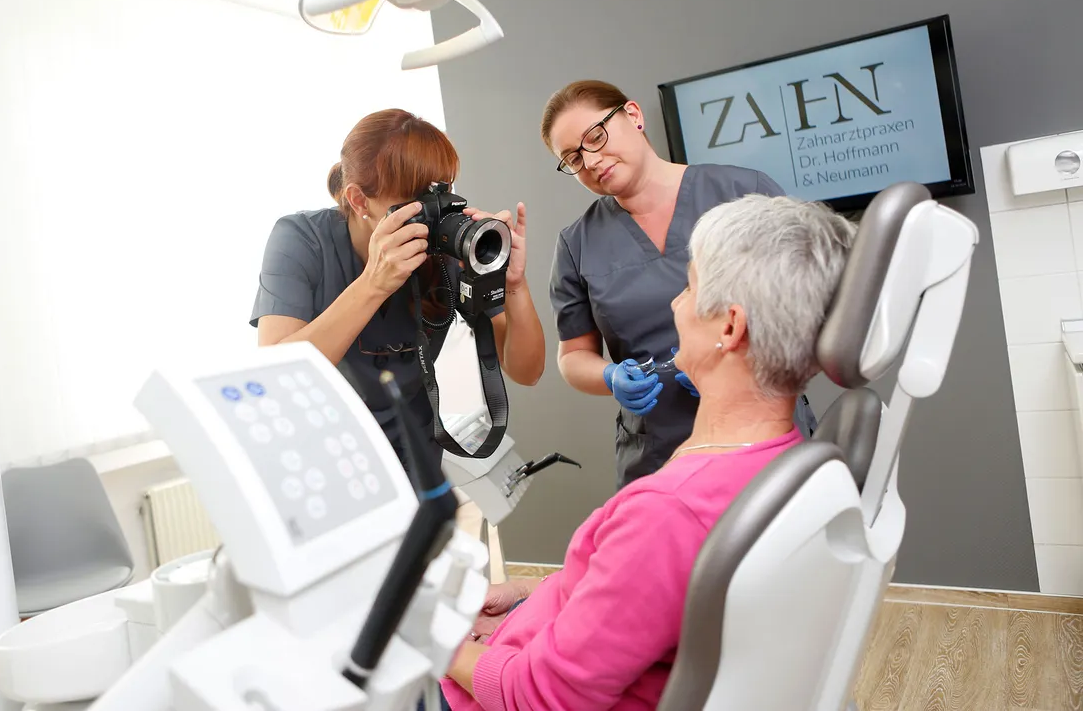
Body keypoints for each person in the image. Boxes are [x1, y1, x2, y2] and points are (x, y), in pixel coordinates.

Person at [440, 193, 857, 711]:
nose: (676, 304)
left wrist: (438, 638)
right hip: (536, 634)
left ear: (730, 327)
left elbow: (537, 695)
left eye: (689, 287)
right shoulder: (787, 462)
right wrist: (535, 594)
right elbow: (645, 594)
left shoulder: (668, 513)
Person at [543, 79, 818, 489]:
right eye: (573, 158)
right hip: (659, 456)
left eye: (596, 137)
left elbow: (809, 306)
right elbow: (573, 356)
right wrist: (610, 376)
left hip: (761, 433)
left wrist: (740, 361)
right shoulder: (577, 244)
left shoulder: (744, 193)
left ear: (633, 115)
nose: (592, 160)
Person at [251, 108, 546, 472]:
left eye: (442, 191)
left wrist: (515, 285)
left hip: (414, 458)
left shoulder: (444, 251)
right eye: (415, 201)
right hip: (325, 457)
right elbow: (275, 377)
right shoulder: (301, 239)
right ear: (359, 200)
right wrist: (374, 284)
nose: (433, 212)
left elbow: (527, 371)